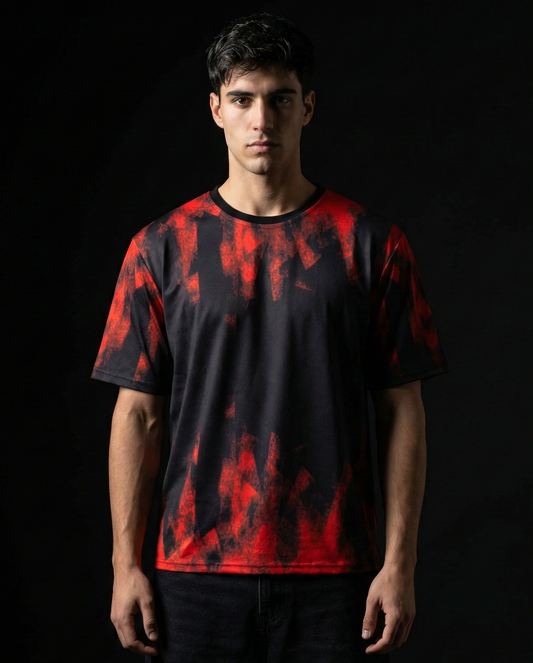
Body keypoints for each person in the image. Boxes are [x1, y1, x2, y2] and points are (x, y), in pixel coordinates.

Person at [92, 12, 448, 662]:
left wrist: (400, 564)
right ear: (215, 110)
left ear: (307, 107)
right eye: (242, 99)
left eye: (280, 99)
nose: (262, 120)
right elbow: (137, 415)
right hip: (193, 570)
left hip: (336, 571)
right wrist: (125, 564)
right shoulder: (161, 249)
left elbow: (402, 412)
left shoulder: (371, 245)